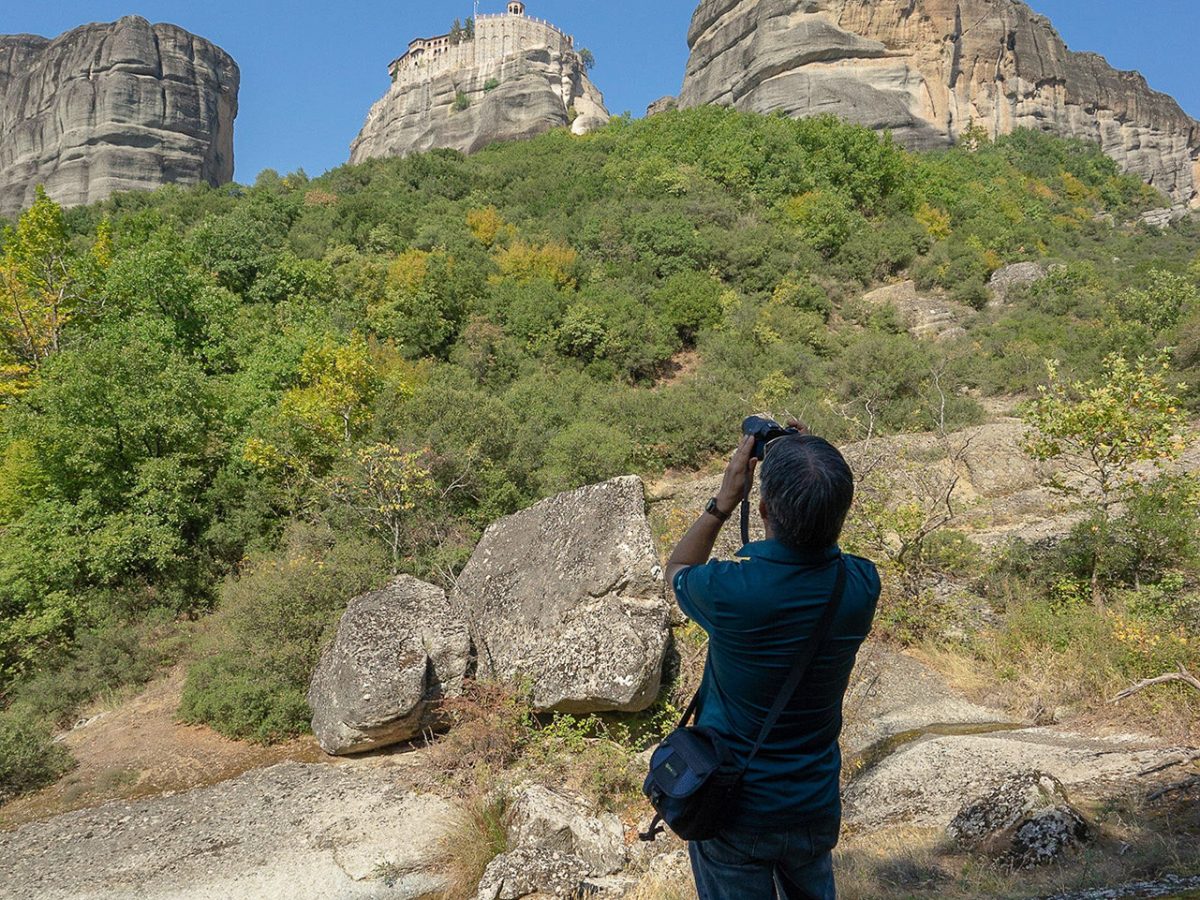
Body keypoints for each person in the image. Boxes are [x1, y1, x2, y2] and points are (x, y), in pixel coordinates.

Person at [664, 424, 880, 900]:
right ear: (841, 511)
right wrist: (811, 461)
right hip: (813, 803)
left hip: (735, 807)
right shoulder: (862, 585)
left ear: (760, 509)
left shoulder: (732, 591)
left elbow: (677, 570)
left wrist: (722, 503)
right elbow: (823, 536)